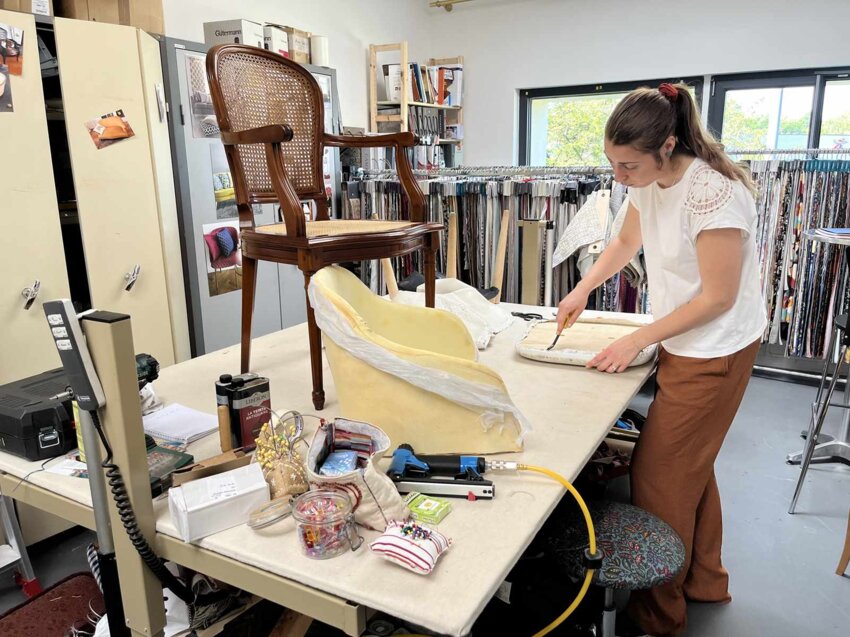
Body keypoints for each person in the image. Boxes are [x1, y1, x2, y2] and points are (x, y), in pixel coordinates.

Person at [555, 82, 767, 637]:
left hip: (716, 349)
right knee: (692, 463)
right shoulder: (648, 183)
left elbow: (718, 297)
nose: (619, 177)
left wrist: (636, 339)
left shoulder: (714, 193)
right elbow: (625, 243)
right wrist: (583, 289)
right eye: (612, 164)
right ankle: (704, 580)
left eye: (628, 166)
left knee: (660, 476)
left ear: (668, 145)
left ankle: (660, 614)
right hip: (687, 341)